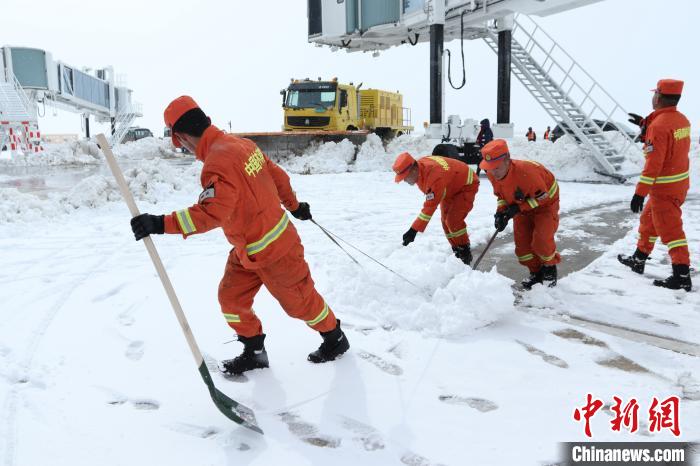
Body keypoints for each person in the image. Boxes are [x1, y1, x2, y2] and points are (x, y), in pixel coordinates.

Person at [130, 96, 349, 375]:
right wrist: (294, 206)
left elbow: (212, 213)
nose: (184, 147)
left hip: (277, 251)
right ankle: (254, 352)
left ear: (182, 136)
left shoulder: (217, 163)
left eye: (181, 142)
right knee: (232, 300)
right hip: (247, 251)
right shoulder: (242, 144)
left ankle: (334, 338)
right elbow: (278, 177)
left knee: (302, 304)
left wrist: (160, 223)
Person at [618, 79, 692, 291]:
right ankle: (639, 259)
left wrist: (639, 193)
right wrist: (645, 124)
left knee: (671, 232)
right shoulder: (682, 120)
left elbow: (654, 164)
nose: (653, 97)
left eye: (654, 94)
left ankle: (682, 275)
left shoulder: (658, 127)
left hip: (664, 189)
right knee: (648, 222)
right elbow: (669, 142)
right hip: (677, 184)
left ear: (659, 96)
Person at [480, 139, 560, 288]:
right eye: (489, 168)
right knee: (522, 248)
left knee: (542, 241)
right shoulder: (492, 174)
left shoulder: (527, 173)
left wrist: (518, 208)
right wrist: (500, 213)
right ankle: (536, 273)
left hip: (545, 204)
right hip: (520, 205)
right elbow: (501, 196)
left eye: (496, 167)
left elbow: (544, 198)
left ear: (507, 159)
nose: (493, 172)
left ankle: (549, 270)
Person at [393, 149, 479, 265]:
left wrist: (413, 230)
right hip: (450, 185)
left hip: (466, 185)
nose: (405, 180)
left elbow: (429, 207)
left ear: (413, 169)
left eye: (405, 177)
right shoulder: (421, 169)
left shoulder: (434, 178)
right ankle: (456, 249)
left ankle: (464, 250)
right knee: (445, 221)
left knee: (453, 221)